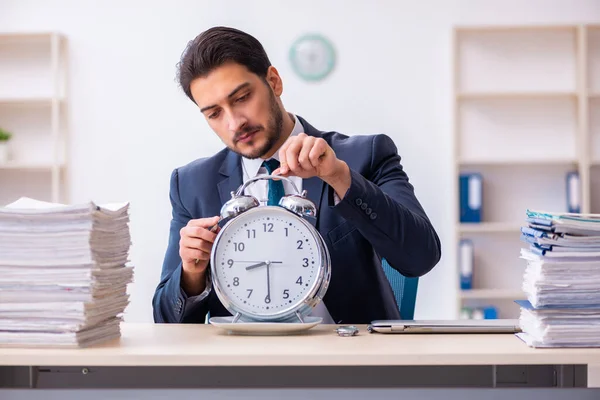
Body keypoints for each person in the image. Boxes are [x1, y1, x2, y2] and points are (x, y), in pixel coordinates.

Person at [152, 26, 441, 325]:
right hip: (244, 365)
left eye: (242, 97)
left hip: (347, 360)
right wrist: (190, 274)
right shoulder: (191, 185)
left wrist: (340, 177)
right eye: (214, 113)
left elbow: (421, 257)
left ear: (274, 82)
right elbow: (166, 322)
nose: (234, 122)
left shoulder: (363, 156)